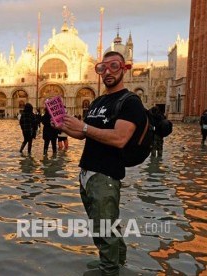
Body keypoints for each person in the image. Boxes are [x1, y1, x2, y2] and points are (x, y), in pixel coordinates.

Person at [58, 51, 147, 275]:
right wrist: (63, 125)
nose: (107, 72)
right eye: (102, 68)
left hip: (106, 175)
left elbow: (119, 139)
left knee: (103, 227)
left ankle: (109, 270)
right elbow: (82, 134)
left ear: (124, 68)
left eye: (113, 66)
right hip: (87, 172)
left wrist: (85, 127)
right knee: (105, 224)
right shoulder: (98, 101)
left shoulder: (130, 102)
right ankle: (117, 261)